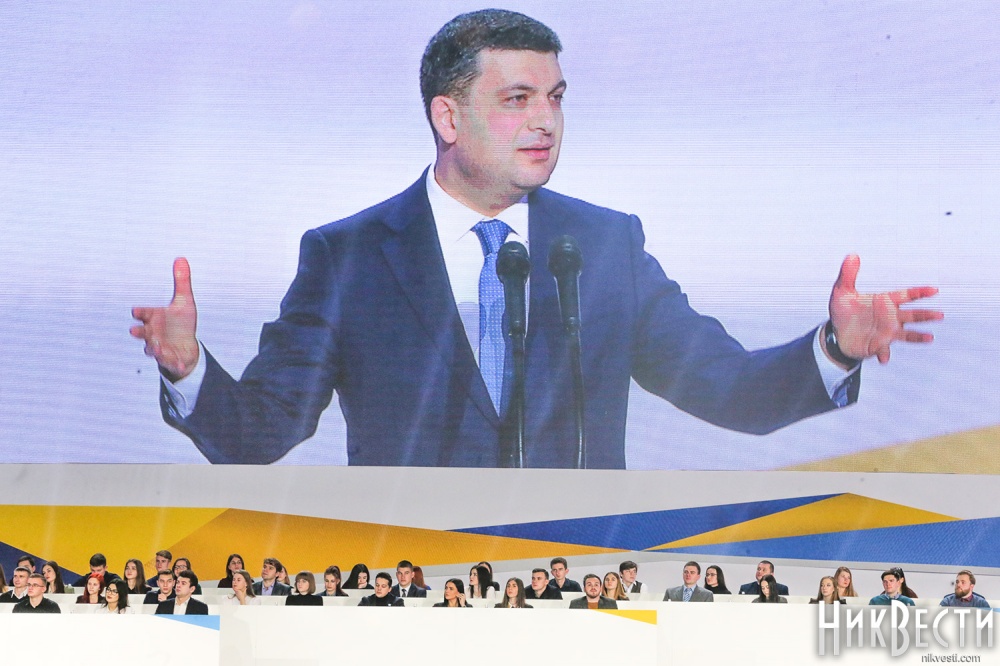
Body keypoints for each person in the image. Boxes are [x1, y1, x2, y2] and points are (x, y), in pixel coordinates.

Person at [133, 9, 942, 470]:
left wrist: (835, 347)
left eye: (556, 96)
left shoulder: (605, 246)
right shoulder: (349, 257)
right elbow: (263, 433)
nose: (546, 120)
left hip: (577, 585)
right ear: (448, 117)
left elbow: (729, 389)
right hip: (414, 586)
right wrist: (189, 368)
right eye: (517, 99)